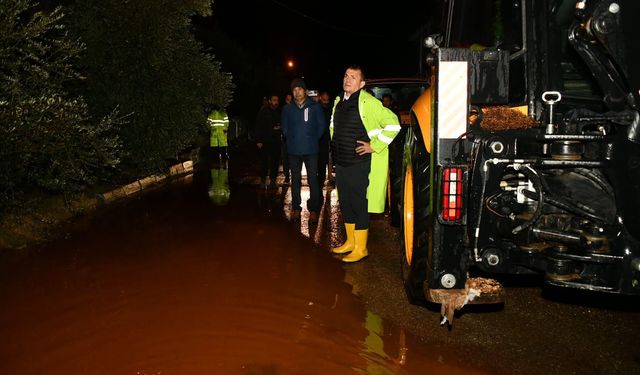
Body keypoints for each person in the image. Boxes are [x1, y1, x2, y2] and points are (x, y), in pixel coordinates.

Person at [330, 65, 400, 262]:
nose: (347, 79)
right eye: (345, 75)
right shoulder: (338, 102)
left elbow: (394, 123)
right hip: (342, 162)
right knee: (345, 202)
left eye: (353, 77)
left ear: (361, 84)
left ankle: (361, 248)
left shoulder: (368, 102)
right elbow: (334, 129)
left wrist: (374, 145)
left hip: (360, 163)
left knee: (359, 204)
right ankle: (351, 242)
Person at [281, 78, 325, 223]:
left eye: (299, 89)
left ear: (305, 91)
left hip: (311, 150)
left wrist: (311, 138)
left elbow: (321, 126)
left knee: (313, 180)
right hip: (293, 150)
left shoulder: (315, 107)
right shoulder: (287, 109)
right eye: (294, 89)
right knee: (296, 180)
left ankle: (313, 209)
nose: (297, 92)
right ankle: (296, 208)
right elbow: (285, 129)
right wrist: (293, 138)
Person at [255, 94, 282, 189]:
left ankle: (273, 181)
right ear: (270, 101)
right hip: (265, 141)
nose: (276, 102)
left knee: (275, 162)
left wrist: (279, 128)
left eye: (277, 100)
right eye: (274, 100)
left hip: (276, 141)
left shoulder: (279, 111)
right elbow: (258, 126)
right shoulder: (263, 111)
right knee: (264, 162)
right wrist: (258, 140)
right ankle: (263, 181)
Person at [317, 91, 333, 191]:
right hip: (318, 139)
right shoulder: (316, 108)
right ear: (320, 98)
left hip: (328, 138)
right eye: (324, 100)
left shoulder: (331, 108)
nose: (326, 102)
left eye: (327, 100)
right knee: (319, 162)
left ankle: (326, 178)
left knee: (327, 160)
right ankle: (319, 180)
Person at [281, 93, 293, 184]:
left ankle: (294, 175)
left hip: (293, 139)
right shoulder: (284, 110)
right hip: (285, 139)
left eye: (290, 99)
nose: (289, 101)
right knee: (285, 159)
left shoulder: (295, 109)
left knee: (293, 159)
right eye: (288, 99)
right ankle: (286, 176)